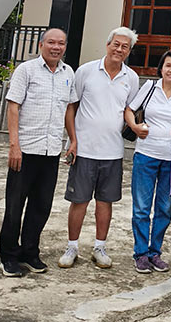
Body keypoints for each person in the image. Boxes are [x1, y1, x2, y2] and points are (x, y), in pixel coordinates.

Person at [58, 27, 139, 269]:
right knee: (79, 201)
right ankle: (72, 246)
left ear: (129, 51)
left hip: (113, 151)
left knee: (106, 202)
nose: (119, 49)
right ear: (108, 44)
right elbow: (71, 106)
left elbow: (129, 110)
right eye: (116, 44)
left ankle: (99, 247)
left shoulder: (131, 78)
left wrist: (136, 126)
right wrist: (72, 140)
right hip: (84, 150)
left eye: (125, 46)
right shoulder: (86, 71)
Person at [0, 28, 75, 277]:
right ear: (41, 44)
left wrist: (72, 139)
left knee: (41, 206)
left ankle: (30, 252)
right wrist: (14, 145)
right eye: (51, 42)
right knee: (14, 206)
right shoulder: (26, 70)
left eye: (61, 43)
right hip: (25, 150)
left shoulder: (68, 73)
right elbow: (13, 107)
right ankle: (9, 256)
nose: (56, 47)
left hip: (51, 151)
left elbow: (68, 110)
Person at [124, 50, 171, 273]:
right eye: (168, 65)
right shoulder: (150, 87)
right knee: (142, 207)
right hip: (145, 155)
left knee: (163, 208)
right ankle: (141, 253)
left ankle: (155, 253)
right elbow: (129, 110)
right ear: (161, 68)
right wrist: (135, 127)